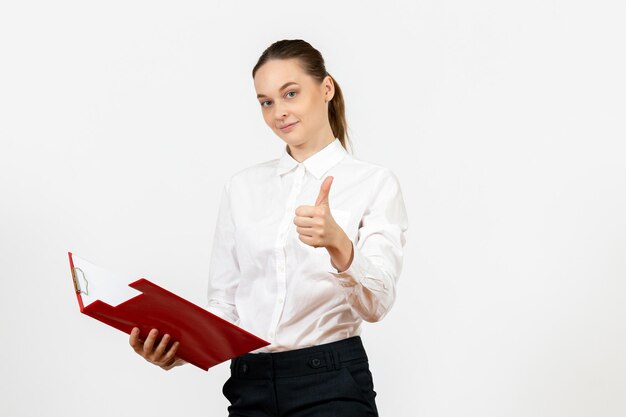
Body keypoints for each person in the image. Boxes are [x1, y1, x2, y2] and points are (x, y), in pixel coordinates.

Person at [129, 38, 408, 416]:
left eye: (290, 93)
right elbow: (225, 305)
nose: (279, 112)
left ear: (326, 88)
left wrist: (339, 245)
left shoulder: (374, 183)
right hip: (250, 384)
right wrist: (180, 350)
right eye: (266, 102)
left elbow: (378, 305)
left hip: (331, 382)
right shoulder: (242, 187)